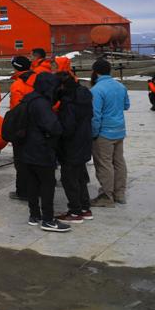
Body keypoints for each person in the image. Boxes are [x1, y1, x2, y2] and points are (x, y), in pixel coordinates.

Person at [17, 73, 69, 231]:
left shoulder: (29, 98)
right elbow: (53, 126)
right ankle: (48, 219)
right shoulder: (42, 103)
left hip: (26, 148)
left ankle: (34, 215)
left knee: (33, 183)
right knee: (47, 184)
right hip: (41, 149)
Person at [90, 59, 130, 207]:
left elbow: (95, 115)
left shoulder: (96, 90)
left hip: (104, 133)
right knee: (119, 162)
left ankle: (107, 196)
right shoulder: (120, 86)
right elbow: (126, 105)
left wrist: (93, 133)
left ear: (95, 72)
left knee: (104, 164)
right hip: (119, 130)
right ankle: (119, 194)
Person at [55, 73, 94, 224]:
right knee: (80, 177)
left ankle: (75, 211)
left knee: (69, 178)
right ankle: (85, 208)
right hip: (84, 141)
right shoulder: (84, 97)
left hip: (71, 145)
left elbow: (68, 127)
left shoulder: (69, 102)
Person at [7, 56, 36, 201]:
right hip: (38, 126)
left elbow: (16, 110)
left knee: (21, 160)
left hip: (22, 128)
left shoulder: (18, 85)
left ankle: (23, 191)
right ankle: (36, 188)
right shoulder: (38, 80)